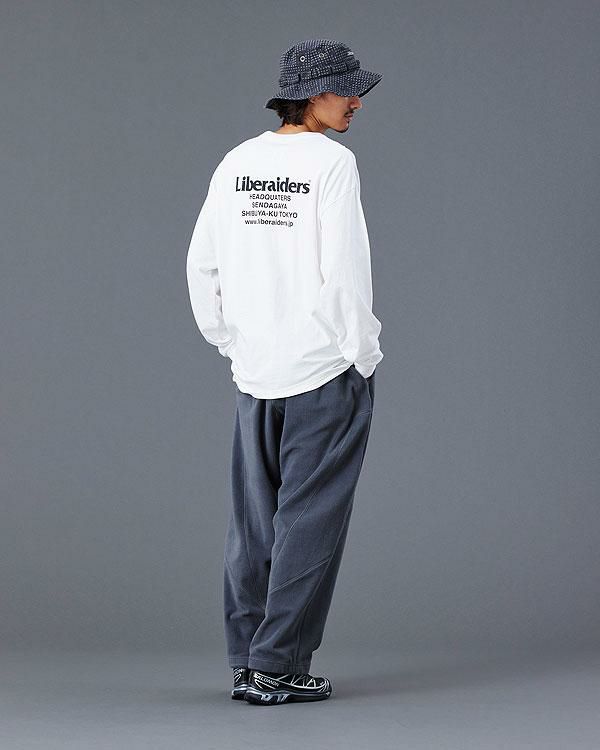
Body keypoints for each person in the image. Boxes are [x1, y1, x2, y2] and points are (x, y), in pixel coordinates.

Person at [186, 38, 383, 705]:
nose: (357, 103)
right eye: (347, 90)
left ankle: (248, 662)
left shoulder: (238, 160)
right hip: (323, 370)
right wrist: (362, 352)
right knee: (310, 523)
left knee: (254, 525)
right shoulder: (333, 163)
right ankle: (278, 665)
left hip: (257, 371)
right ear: (315, 94)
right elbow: (345, 270)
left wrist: (231, 341)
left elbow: (202, 263)